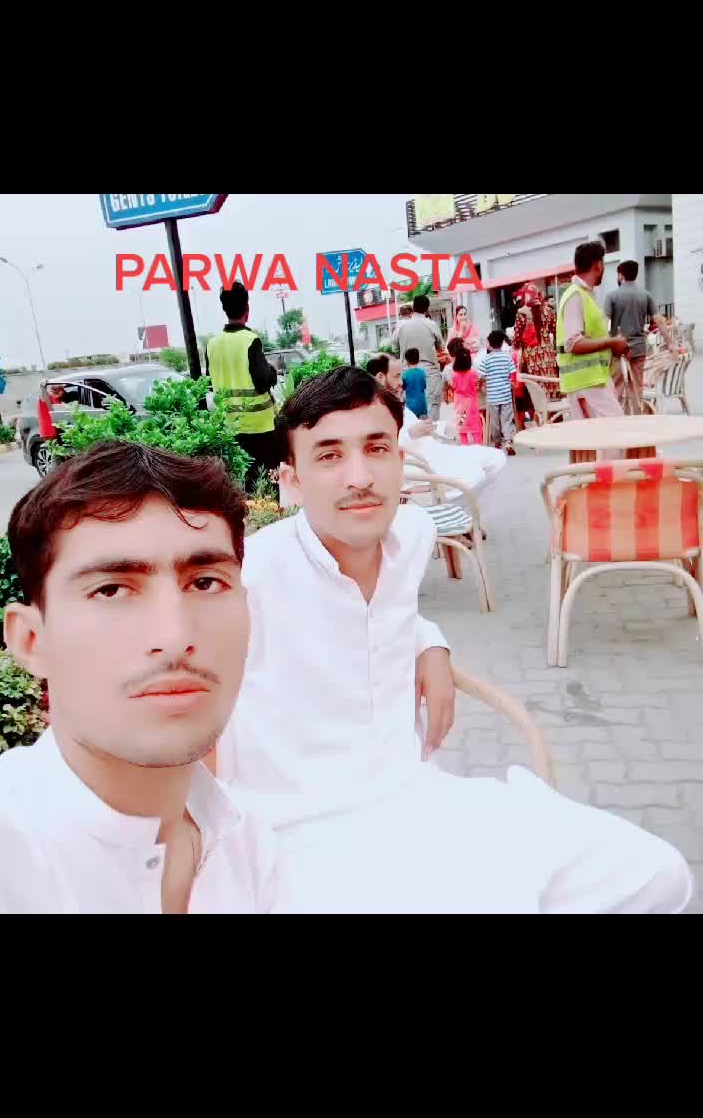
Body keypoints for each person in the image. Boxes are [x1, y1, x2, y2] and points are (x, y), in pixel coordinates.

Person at [215, 368, 691, 913]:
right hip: (299, 834)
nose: (359, 476)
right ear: (292, 480)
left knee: (657, 875)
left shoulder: (412, 535)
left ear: (400, 460)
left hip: (420, 801)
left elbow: (385, 611)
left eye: (376, 449)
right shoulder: (245, 579)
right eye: (329, 456)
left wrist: (429, 642)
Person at [0, 441, 286, 914]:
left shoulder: (247, 843)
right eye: (111, 590)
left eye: (206, 582)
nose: (175, 636)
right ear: (31, 640)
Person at [367, 354, 506, 495]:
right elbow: (378, 446)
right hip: (421, 463)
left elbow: (422, 428)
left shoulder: (396, 404)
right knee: (475, 475)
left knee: (497, 458)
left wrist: (449, 425)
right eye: (396, 376)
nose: (401, 382)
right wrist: (410, 433)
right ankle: (450, 504)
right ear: (380, 377)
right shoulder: (371, 411)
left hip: (437, 451)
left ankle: (464, 503)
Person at [206, 280, 279, 491]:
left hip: (229, 426)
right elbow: (262, 381)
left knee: (240, 482)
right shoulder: (250, 340)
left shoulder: (212, 344)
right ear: (247, 308)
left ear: (224, 309)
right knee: (265, 483)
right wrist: (272, 371)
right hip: (259, 425)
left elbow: (209, 382)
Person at [557, 242, 630, 420]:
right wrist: (612, 342)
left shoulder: (584, 295)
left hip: (592, 381)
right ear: (597, 265)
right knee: (617, 431)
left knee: (602, 435)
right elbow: (573, 343)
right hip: (587, 384)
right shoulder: (576, 296)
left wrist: (612, 346)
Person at [604, 261, 657, 416]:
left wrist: (602, 343)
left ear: (621, 275)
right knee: (636, 387)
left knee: (616, 387)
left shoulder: (612, 296)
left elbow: (604, 322)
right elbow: (658, 319)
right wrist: (670, 343)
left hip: (617, 349)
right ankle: (637, 417)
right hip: (639, 348)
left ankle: (616, 418)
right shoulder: (646, 295)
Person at [392, 295, 445, 422]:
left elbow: (394, 348)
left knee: (410, 412)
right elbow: (440, 347)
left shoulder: (401, 326)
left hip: (407, 373)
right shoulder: (431, 325)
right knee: (431, 411)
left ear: (413, 307)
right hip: (430, 374)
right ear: (427, 309)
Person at [478, 331, 517, 455]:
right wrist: (510, 382)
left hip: (492, 396)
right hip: (505, 395)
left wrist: (481, 384)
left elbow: (481, 376)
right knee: (507, 419)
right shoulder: (507, 357)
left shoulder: (486, 359)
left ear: (489, 344)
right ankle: (509, 441)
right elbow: (513, 374)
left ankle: (497, 441)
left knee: (495, 421)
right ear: (502, 343)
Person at [512, 282, 558, 382]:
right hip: (548, 357)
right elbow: (556, 333)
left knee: (534, 387)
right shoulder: (548, 311)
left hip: (531, 359)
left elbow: (516, 341)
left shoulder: (521, 313)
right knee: (550, 382)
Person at [451, 347, 483, 445]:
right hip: (471, 403)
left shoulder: (454, 375)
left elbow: (453, 387)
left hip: (459, 404)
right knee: (475, 426)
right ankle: (477, 445)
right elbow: (477, 388)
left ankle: (464, 446)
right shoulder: (473, 374)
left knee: (462, 426)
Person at [402, 348, 428, 418]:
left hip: (410, 405)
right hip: (422, 404)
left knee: (412, 422)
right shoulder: (422, 372)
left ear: (407, 361)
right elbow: (424, 386)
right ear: (418, 360)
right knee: (423, 422)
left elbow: (403, 388)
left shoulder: (405, 375)